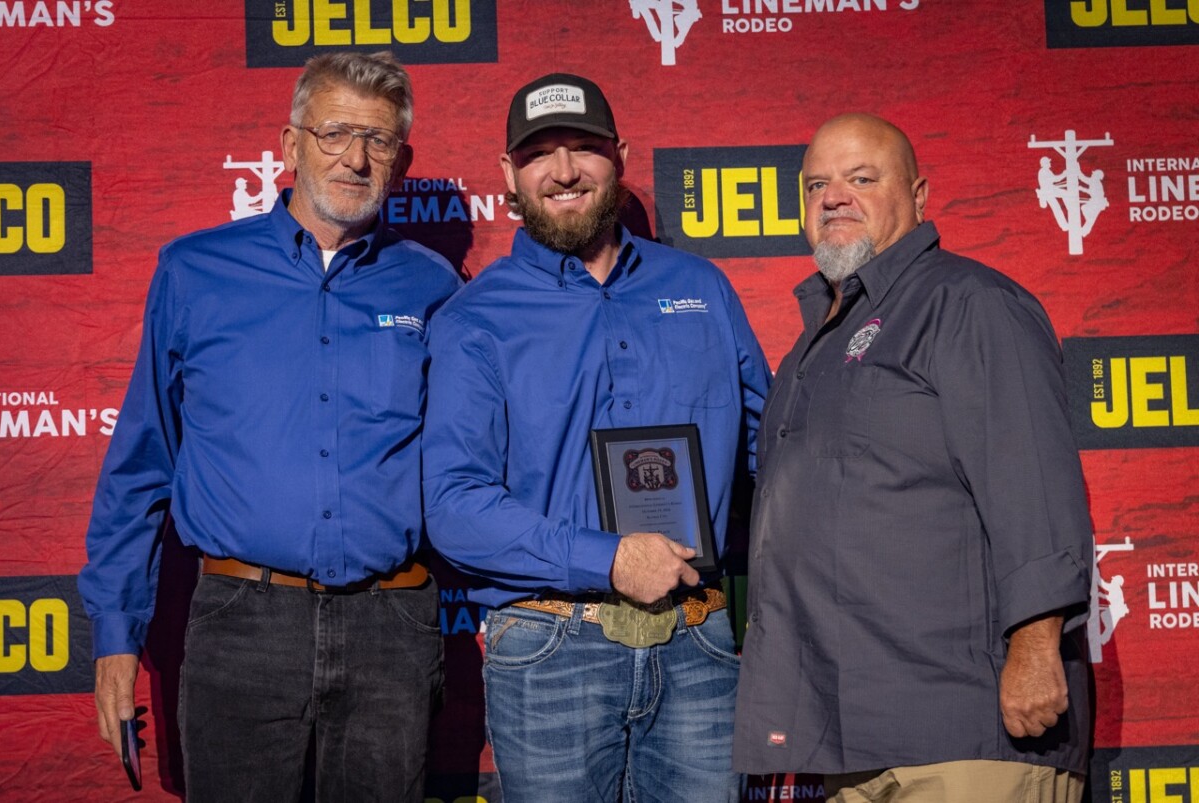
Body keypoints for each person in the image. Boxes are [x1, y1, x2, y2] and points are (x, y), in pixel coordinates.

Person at [78, 51, 460, 801]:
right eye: (335, 132)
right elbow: (143, 462)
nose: (355, 157)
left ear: (402, 160)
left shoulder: (435, 284)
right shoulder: (194, 271)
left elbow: (466, 462)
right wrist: (116, 634)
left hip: (393, 626)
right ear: (289, 146)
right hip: (241, 625)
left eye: (378, 140)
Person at [421, 73, 771, 803]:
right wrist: (608, 557)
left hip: (699, 637)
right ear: (509, 175)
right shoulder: (474, 318)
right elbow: (454, 505)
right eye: (541, 152)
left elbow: (767, 452)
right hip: (550, 650)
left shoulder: (700, 288)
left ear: (621, 156)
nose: (565, 169)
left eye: (585, 147)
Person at [732, 113, 1093, 802]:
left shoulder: (969, 302)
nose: (835, 196)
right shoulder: (811, 348)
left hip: (968, 729)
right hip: (848, 735)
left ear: (920, 196)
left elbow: (1034, 487)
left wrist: (1037, 648)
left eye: (862, 178)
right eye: (818, 184)